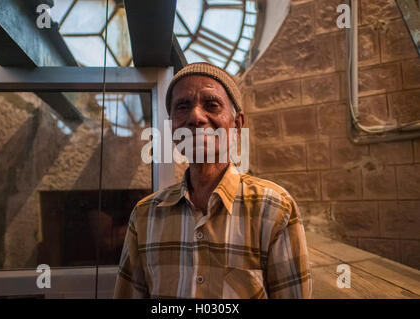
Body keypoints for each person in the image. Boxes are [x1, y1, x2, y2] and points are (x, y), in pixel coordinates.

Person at [113, 63, 312, 299]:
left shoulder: (274, 209)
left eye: (211, 105)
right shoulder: (145, 216)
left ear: (237, 125)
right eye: (182, 106)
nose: (195, 116)